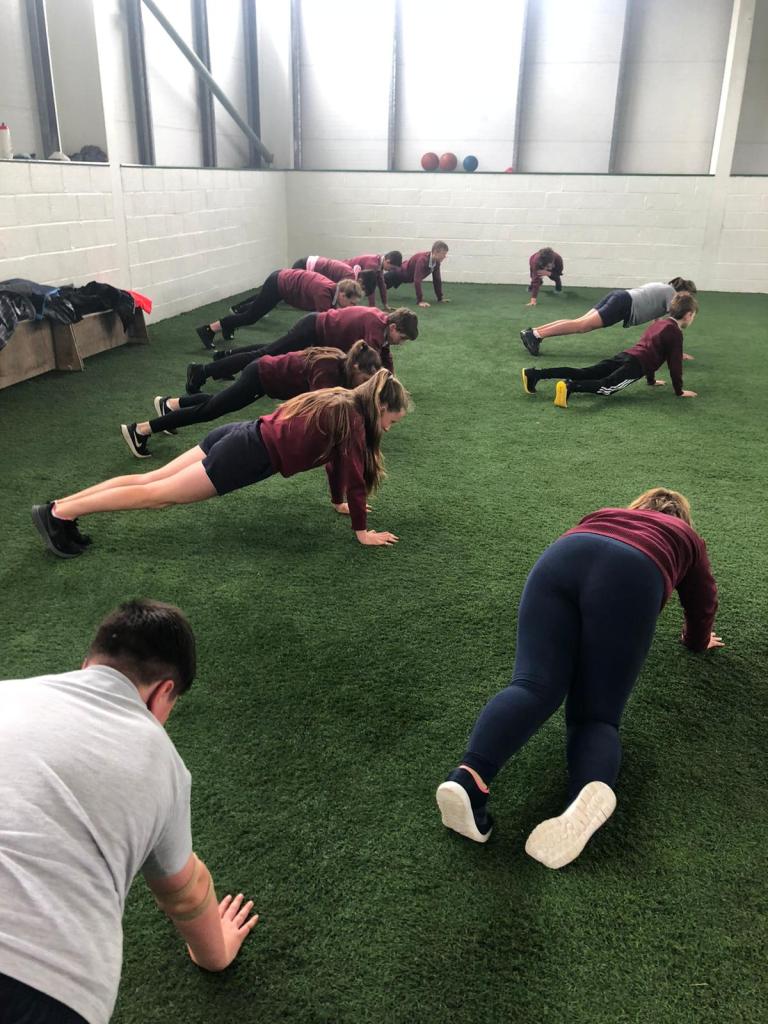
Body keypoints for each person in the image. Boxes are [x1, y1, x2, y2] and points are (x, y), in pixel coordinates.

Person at [0, 599, 258, 1024]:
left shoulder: (8, 692)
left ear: (87, 664)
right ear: (163, 693)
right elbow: (186, 892)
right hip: (41, 986)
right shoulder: (159, 757)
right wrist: (216, 955)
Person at [436, 488, 722, 870]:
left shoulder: (607, 513)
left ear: (639, 506)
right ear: (682, 519)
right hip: (632, 573)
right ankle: (579, 802)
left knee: (531, 686)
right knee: (595, 716)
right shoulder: (687, 538)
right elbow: (703, 600)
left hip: (562, 558)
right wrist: (697, 640)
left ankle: (468, 778)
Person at [32, 370, 411, 557]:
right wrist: (361, 531)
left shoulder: (344, 400)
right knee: (157, 496)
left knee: (152, 480)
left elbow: (335, 464)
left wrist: (337, 502)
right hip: (245, 455)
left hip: (239, 434)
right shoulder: (353, 420)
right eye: (390, 421)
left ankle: (60, 508)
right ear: (379, 406)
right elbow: (355, 476)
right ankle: (60, 513)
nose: (387, 429)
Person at [121, 341, 382, 458]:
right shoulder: (327, 370)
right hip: (260, 376)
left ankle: (171, 404)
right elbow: (320, 407)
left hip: (262, 375)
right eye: (364, 379)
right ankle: (141, 430)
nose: (363, 385)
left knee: (218, 401)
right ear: (355, 366)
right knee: (211, 410)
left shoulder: (340, 362)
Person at [522, 292, 699, 408]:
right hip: (636, 365)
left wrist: (651, 381)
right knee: (607, 387)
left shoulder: (660, 323)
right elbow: (674, 364)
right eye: (693, 316)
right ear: (688, 314)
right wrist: (679, 391)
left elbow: (652, 350)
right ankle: (570, 386)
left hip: (626, 355)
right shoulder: (675, 333)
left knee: (584, 372)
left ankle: (535, 374)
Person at [185, 306, 419, 393]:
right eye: (402, 337)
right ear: (393, 327)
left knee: (268, 350)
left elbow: (385, 357)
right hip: (311, 329)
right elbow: (371, 366)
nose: (402, 342)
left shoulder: (382, 326)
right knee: (264, 355)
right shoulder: (375, 328)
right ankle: (202, 371)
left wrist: (392, 381)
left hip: (317, 333)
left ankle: (219, 361)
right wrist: (384, 387)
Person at [520, 276, 697, 356]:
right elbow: (673, 323)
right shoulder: (671, 294)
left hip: (620, 297)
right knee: (581, 327)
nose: (686, 300)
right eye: (688, 296)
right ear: (683, 291)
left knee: (579, 322)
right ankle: (535, 335)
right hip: (623, 305)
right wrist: (675, 351)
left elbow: (658, 322)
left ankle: (533, 332)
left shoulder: (663, 288)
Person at [196, 270, 364, 349]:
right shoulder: (323, 293)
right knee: (251, 317)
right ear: (343, 295)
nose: (352, 307)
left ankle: (228, 326)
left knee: (252, 312)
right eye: (352, 303)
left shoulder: (333, 291)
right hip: (278, 284)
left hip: (284, 283)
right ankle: (208, 329)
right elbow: (323, 324)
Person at [384, 241, 450, 308]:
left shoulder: (436, 263)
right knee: (379, 282)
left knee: (383, 286)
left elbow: (437, 280)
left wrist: (440, 298)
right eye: (443, 254)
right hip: (398, 273)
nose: (445, 256)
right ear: (436, 252)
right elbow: (417, 280)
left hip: (407, 278)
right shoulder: (422, 260)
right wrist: (420, 301)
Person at [290, 255, 378, 299]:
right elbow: (336, 295)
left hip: (307, 262)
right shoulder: (350, 278)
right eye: (362, 289)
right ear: (360, 281)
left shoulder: (352, 273)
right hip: (304, 266)